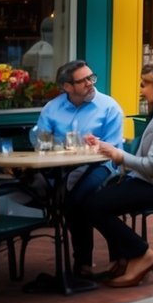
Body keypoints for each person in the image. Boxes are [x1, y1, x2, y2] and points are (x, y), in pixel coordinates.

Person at [81, 62, 153, 288]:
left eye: (145, 84)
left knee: (92, 206)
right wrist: (107, 147)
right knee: (97, 200)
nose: (141, 90)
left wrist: (117, 155)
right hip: (152, 183)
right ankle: (125, 258)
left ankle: (142, 254)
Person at [33, 60, 124, 280]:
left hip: (102, 165)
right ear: (66, 87)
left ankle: (86, 262)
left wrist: (93, 146)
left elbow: (112, 149)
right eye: (82, 80)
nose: (89, 83)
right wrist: (56, 146)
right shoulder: (52, 108)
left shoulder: (109, 107)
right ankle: (91, 261)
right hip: (61, 168)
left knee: (77, 200)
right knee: (51, 196)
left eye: (91, 78)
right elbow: (38, 138)